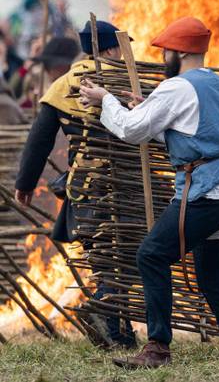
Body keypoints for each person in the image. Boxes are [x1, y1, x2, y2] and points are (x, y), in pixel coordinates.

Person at [79, 17, 219, 368]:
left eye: (166, 52)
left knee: (151, 255)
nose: (163, 58)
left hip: (209, 193)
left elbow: (130, 131)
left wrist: (105, 100)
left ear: (179, 51)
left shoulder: (176, 88)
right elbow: (195, 135)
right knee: (213, 275)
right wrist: (147, 109)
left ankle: (157, 349)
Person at [14, 23, 135, 347]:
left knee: (105, 260)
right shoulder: (127, 81)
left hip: (85, 189)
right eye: (119, 48)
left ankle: (119, 334)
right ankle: (102, 314)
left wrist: (25, 184)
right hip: (126, 187)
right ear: (110, 49)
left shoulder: (62, 85)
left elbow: (38, 140)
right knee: (130, 258)